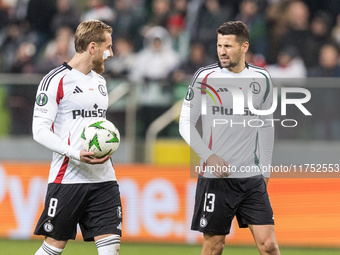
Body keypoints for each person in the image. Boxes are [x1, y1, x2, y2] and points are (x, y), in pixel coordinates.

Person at [179, 21, 280, 255]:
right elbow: (185, 124)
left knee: (269, 245)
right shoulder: (205, 77)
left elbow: (266, 126)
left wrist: (265, 171)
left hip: (251, 178)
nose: (222, 51)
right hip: (216, 178)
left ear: (244, 47)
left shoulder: (262, 78)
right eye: (219, 45)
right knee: (214, 246)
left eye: (228, 46)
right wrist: (209, 156)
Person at [32, 20, 122, 255]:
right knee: (53, 248)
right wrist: (75, 153)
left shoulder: (101, 82)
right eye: (108, 47)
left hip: (104, 178)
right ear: (92, 47)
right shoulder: (55, 80)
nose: (111, 54)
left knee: (111, 247)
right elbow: (39, 130)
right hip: (68, 178)